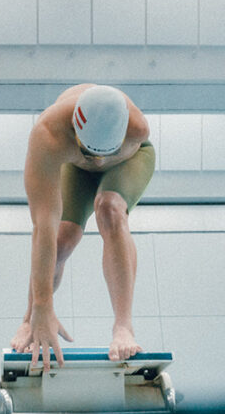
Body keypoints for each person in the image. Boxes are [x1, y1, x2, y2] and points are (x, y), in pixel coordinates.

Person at [10, 84, 155, 372]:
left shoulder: (138, 128)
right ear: (75, 131)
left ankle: (124, 327)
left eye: (104, 154)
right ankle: (29, 320)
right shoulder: (48, 135)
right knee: (62, 239)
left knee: (110, 209)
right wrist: (42, 306)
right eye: (89, 151)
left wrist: (106, 160)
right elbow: (43, 227)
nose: (98, 161)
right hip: (74, 170)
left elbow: (105, 163)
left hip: (128, 163)